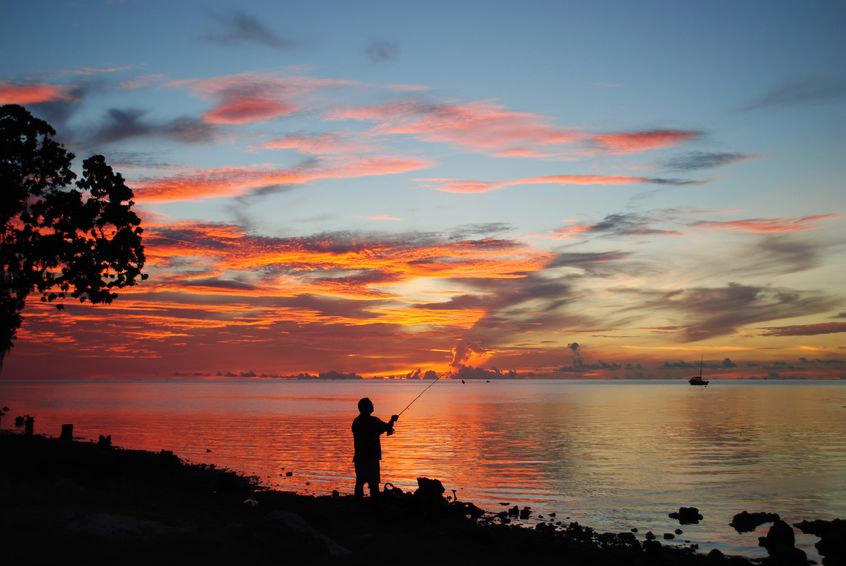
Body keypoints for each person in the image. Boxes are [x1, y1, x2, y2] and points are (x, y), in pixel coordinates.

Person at [352, 397, 398, 499]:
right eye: (371, 405)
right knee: (373, 483)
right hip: (372, 457)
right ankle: (374, 503)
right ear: (368, 408)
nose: (373, 406)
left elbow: (382, 429)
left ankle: (357, 503)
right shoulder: (374, 421)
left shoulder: (356, 422)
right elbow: (387, 427)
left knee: (359, 482)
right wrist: (392, 419)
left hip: (359, 457)